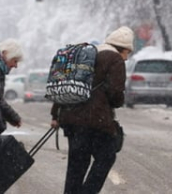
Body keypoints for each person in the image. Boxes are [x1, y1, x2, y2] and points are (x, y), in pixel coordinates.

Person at [50, 27, 132, 194]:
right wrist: (119, 101)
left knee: (76, 165)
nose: (126, 58)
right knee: (107, 156)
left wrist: (55, 114)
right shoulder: (114, 59)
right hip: (96, 121)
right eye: (127, 53)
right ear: (122, 48)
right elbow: (115, 93)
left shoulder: (87, 54)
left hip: (71, 119)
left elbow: (66, 84)